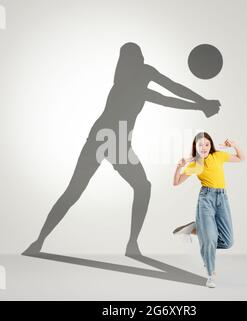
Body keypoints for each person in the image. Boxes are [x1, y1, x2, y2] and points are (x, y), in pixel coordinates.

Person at [22, 43, 221, 257]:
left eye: (138, 57)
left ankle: (130, 245)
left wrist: (202, 102)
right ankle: (40, 240)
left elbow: (173, 87)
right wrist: (201, 105)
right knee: (75, 191)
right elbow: (165, 98)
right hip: (104, 140)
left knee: (140, 187)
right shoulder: (127, 84)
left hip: (114, 142)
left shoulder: (143, 72)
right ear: (129, 63)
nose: (141, 61)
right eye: (135, 58)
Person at [173, 132, 245, 287]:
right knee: (210, 240)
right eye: (200, 145)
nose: (204, 147)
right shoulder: (196, 165)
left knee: (227, 241)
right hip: (206, 199)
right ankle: (210, 274)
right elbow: (176, 182)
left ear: (211, 145)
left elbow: (241, 158)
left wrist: (234, 145)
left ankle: (196, 229)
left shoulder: (218, 156)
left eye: (207, 144)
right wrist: (178, 167)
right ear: (195, 147)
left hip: (222, 198)